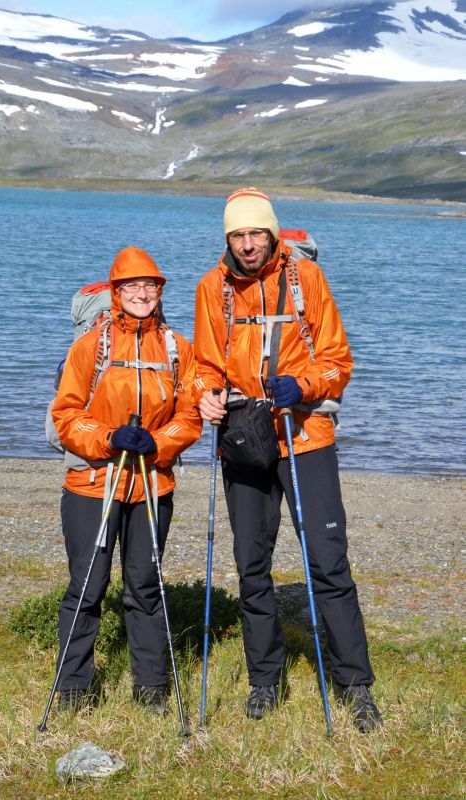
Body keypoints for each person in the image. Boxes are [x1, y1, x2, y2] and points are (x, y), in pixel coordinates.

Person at [194, 188, 382, 731]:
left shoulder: (307, 280)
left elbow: (338, 361)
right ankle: (265, 682)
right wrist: (206, 394)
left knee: (326, 562)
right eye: (238, 235)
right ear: (227, 238)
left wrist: (302, 384)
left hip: (305, 435)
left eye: (256, 233)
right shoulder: (213, 288)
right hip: (244, 438)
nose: (248, 245)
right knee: (251, 564)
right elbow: (206, 363)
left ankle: (356, 685)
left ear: (272, 234)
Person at [51, 246, 202, 715]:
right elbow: (66, 417)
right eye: (131, 286)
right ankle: (74, 689)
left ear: (160, 291)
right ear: (116, 292)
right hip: (93, 485)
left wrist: (158, 444)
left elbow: (190, 415)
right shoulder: (91, 347)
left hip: (152, 487)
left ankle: (152, 689)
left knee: (146, 586)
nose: (142, 293)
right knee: (87, 586)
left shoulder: (178, 348)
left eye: (150, 285)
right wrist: (110, 436)